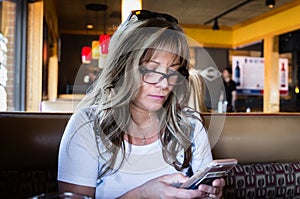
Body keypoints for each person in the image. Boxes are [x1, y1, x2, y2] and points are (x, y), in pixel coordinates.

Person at [57, 10, 225, 198]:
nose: (164, 84)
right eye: (151, 70)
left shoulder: (191, 125)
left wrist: (209, 194)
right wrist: (141, 195)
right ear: (122, 69)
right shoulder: (87, 126)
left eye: (173, 71)